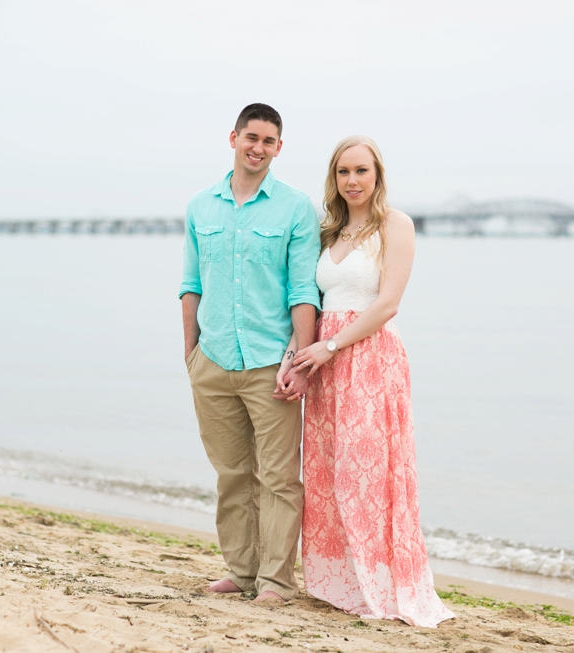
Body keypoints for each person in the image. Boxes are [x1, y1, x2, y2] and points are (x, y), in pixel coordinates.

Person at [291, 136, 454, 626]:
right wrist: (301, 353)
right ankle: (337, 582)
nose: (353, 181)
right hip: (324, 364)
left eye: (361, 171)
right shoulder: (328, 232)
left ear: (377, 174)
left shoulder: (395, 225)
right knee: (328, 471)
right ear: (334, 179)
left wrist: (331, 346)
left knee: (369, 473)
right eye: (344, 172)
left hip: (368, 357)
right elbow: (311, 298)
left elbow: (387, 304)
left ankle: (382, 586)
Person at [179, 103, 321, 602]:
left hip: (270, 366)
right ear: (234, 137)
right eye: (250, 138)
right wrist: (190, 352)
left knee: (279, 478)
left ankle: (277, 581)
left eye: (268, 141)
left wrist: (301, 363)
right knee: (232, 475)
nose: (257, 148)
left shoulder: (296, 207)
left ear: (278, 148)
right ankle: (242, 571)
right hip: (212, 360)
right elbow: (190, 281)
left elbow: (304, 290)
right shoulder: (201, 206)